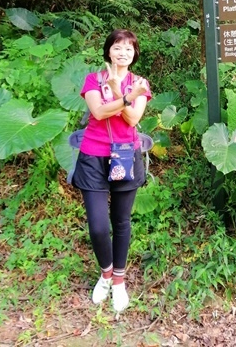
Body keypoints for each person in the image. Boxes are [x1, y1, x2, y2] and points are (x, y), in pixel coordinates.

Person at [72, 29, 151, 313]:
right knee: (97, 225)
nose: (123, 52)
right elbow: (98, 112)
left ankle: (118, 281)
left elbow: (131, 119)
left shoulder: (141, 83)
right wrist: (128, 97)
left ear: (134, 55)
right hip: (93, 154)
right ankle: (105, 274)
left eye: (129, 49)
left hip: (125, 156)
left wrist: (120, 93)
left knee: (121, 221)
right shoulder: (93, 80)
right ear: (108, 51)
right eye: (118, 47)